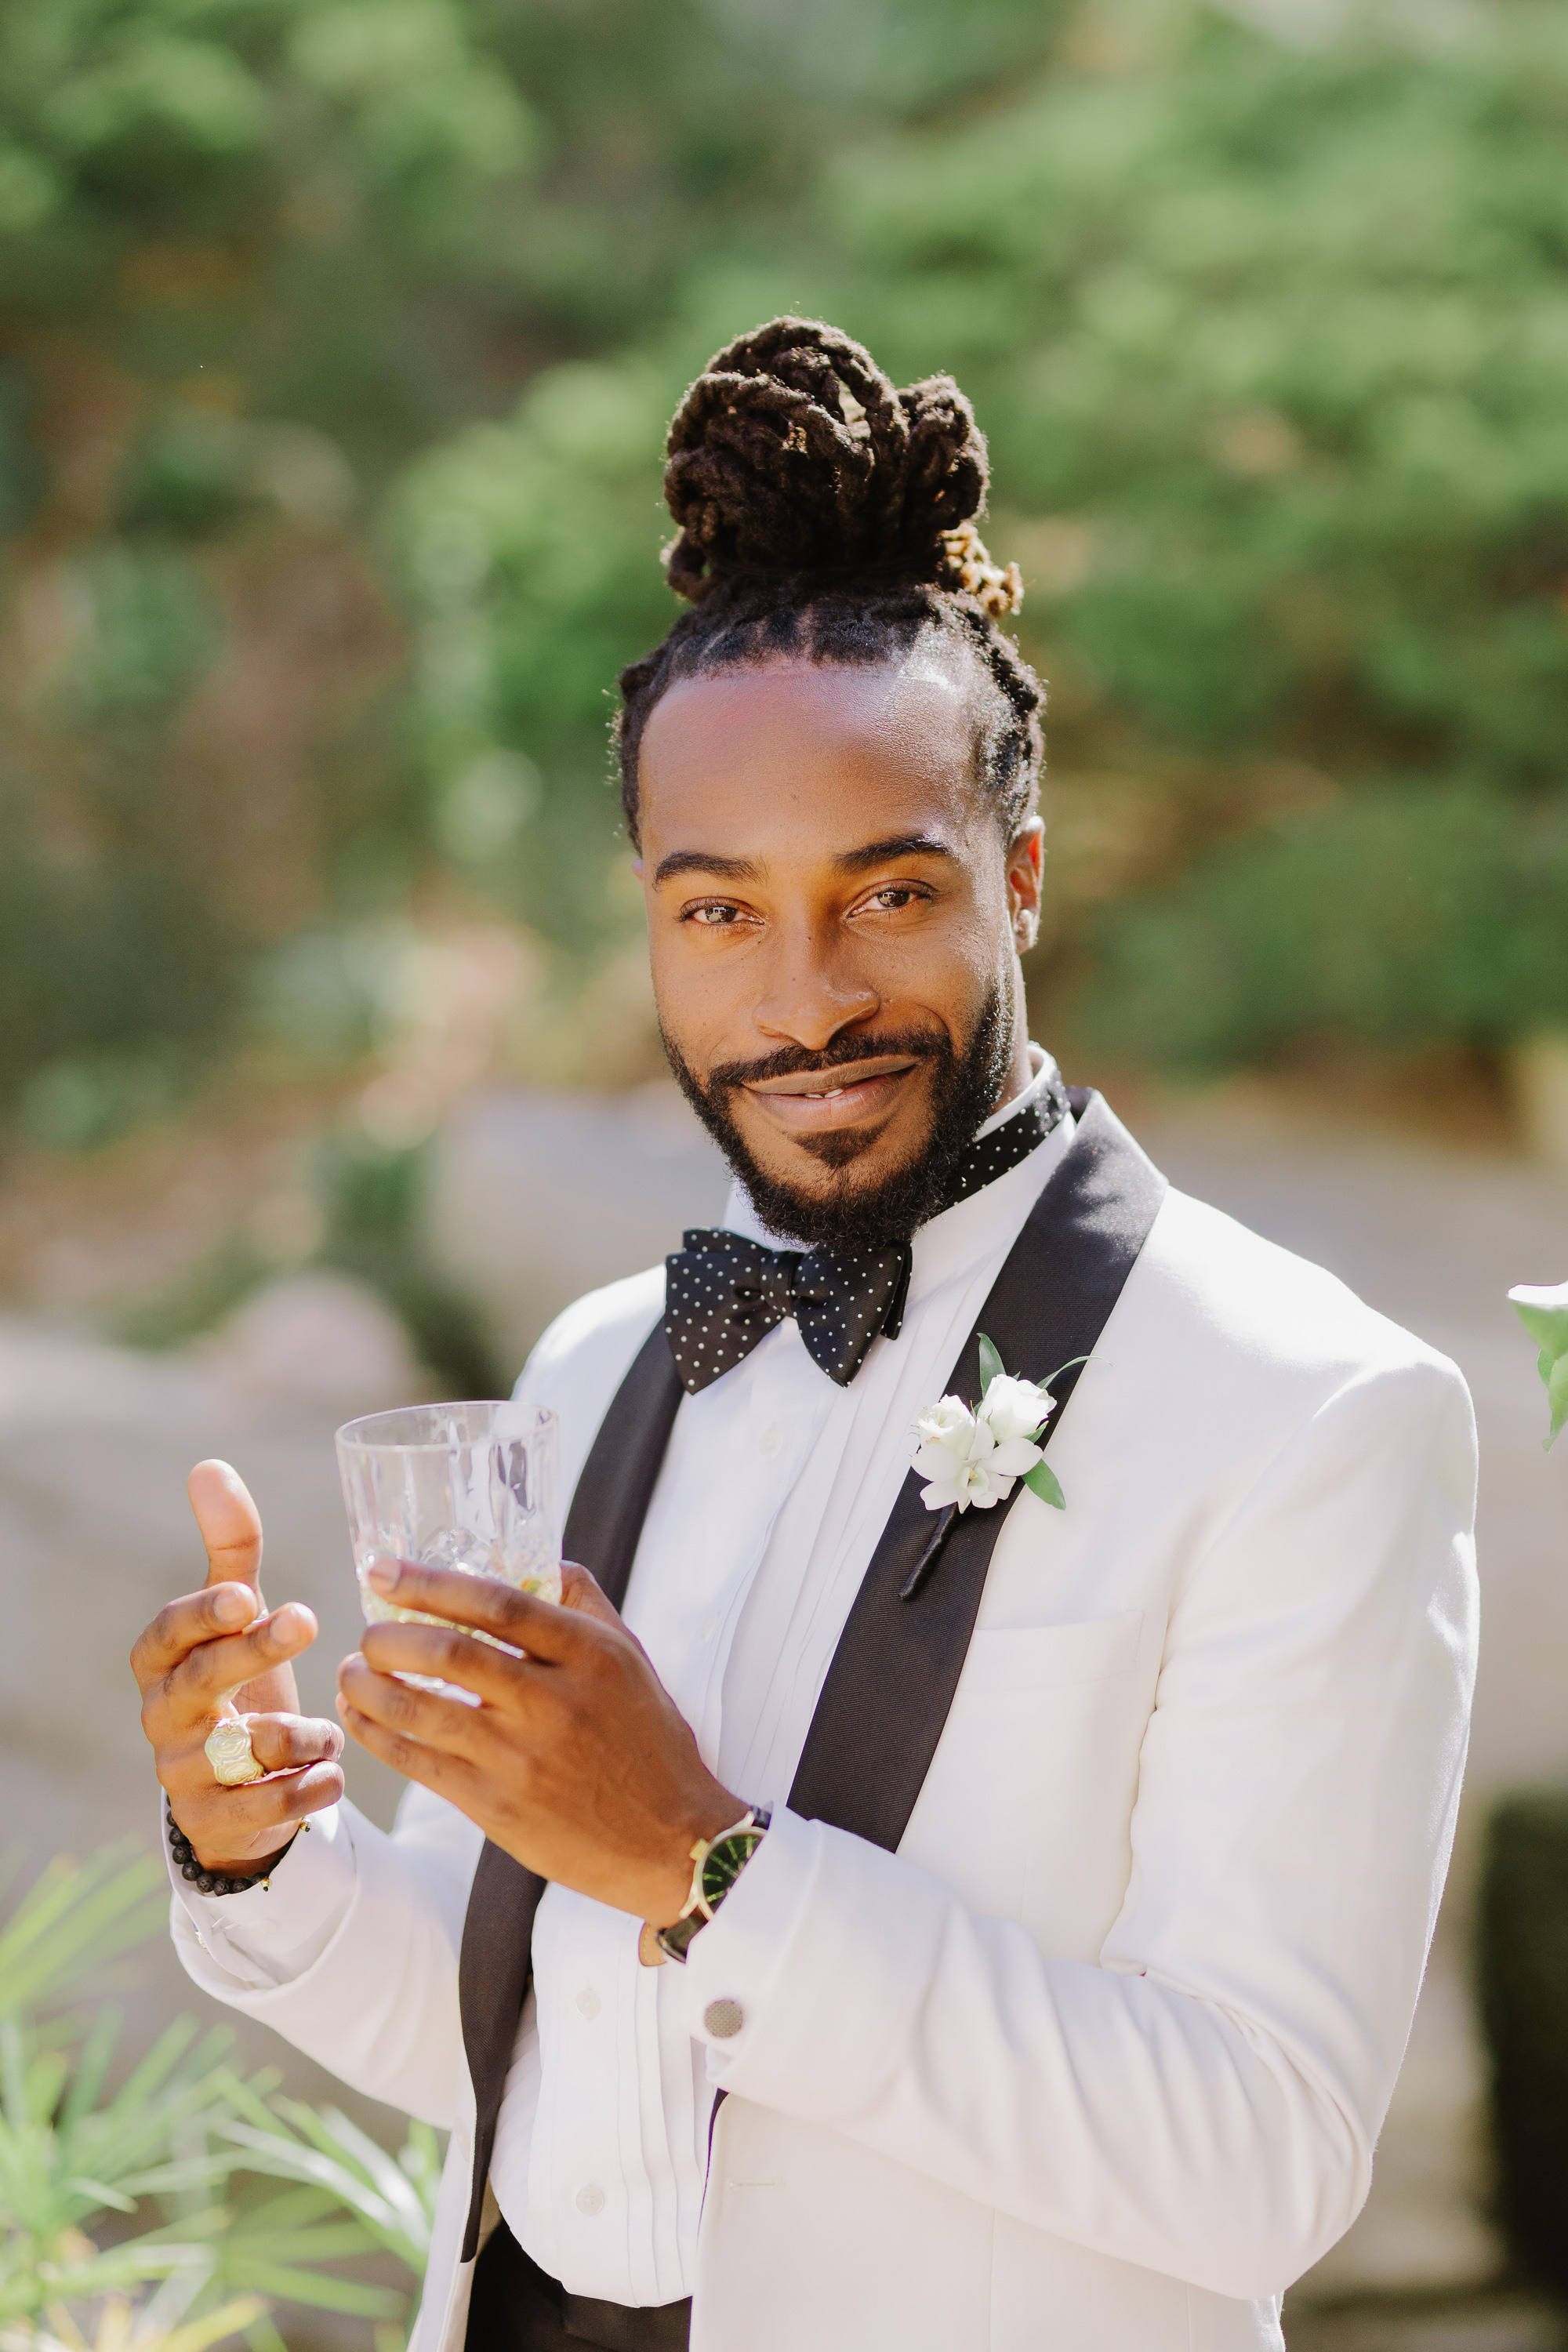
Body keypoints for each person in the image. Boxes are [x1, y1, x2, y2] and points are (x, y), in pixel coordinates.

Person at [131, 318, 1478, 2352]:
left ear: (1021, 878)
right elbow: (519, 2034)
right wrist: (261, 1849)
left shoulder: (1310, 1408)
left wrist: (707, 1865)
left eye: (888, 894)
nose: (804, 996)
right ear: (651, 923)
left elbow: (1260, 2157)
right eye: (720, 911)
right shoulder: (597, 1367)